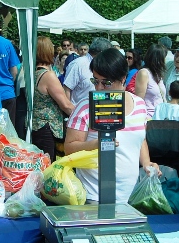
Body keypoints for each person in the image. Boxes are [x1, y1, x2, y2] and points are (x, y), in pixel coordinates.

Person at [65, 49, 159, 204]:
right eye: (95, 81)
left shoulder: (140, 105)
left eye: (106, 83)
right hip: (93, 195)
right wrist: (96, 144)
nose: (99, 88)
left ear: (123, 79)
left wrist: (147, 163)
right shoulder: (85, 107)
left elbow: (140, 139)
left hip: (131, 196)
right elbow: (69, 147)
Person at [31, 37, 74, 161]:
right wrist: (84, 118)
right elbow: (65, 104)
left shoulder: (34, 73)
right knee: (48, 168)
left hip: (36, 125)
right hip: (47, 128)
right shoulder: (48, 75)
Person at [63, 37, 112, 105]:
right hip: (79, 113)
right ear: (102, 53)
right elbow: (66, 90)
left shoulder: (104, 65)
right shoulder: (78, 64)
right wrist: (72, 113)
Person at [135, 43, 167, 118]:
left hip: (160, 118)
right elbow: (139, 100)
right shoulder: (144, 73)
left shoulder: (158, 74)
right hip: (149, 118)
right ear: (159, 59)